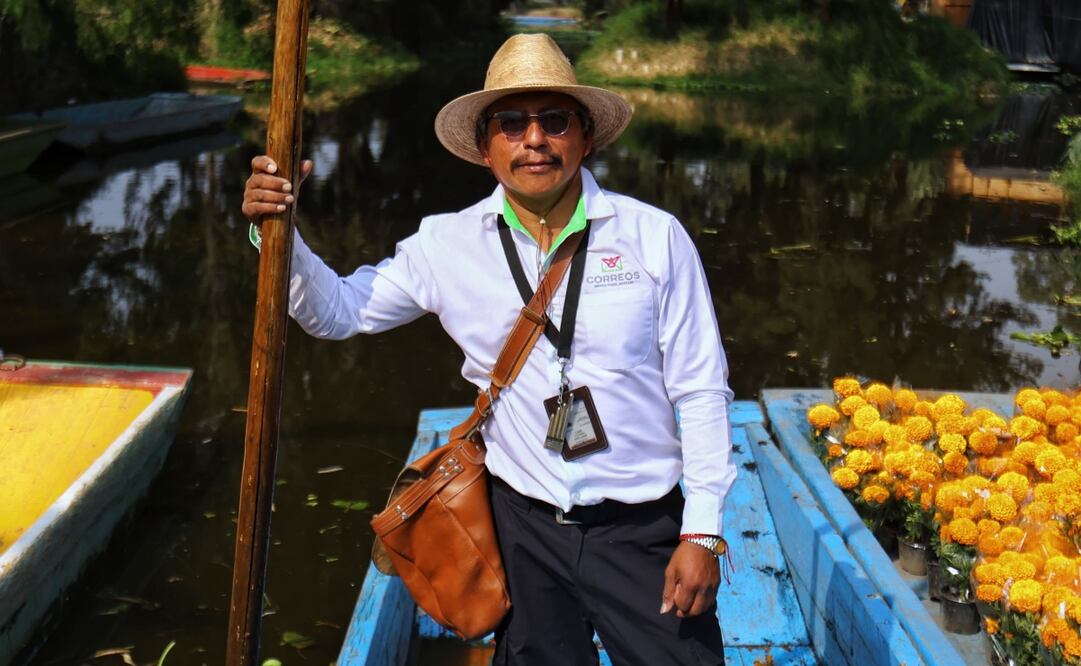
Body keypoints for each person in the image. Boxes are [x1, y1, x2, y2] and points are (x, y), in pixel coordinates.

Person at [243, 33, 736, 666]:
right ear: (485, 147)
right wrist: (276, 234)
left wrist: (702, 532)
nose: (535, 139)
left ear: (585, 136)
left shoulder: (654, 238)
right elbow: (339, 312)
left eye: (554, 120)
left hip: (642, 529)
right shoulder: (445, 245)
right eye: (512, 123)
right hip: (522, 530)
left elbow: (700, 389)